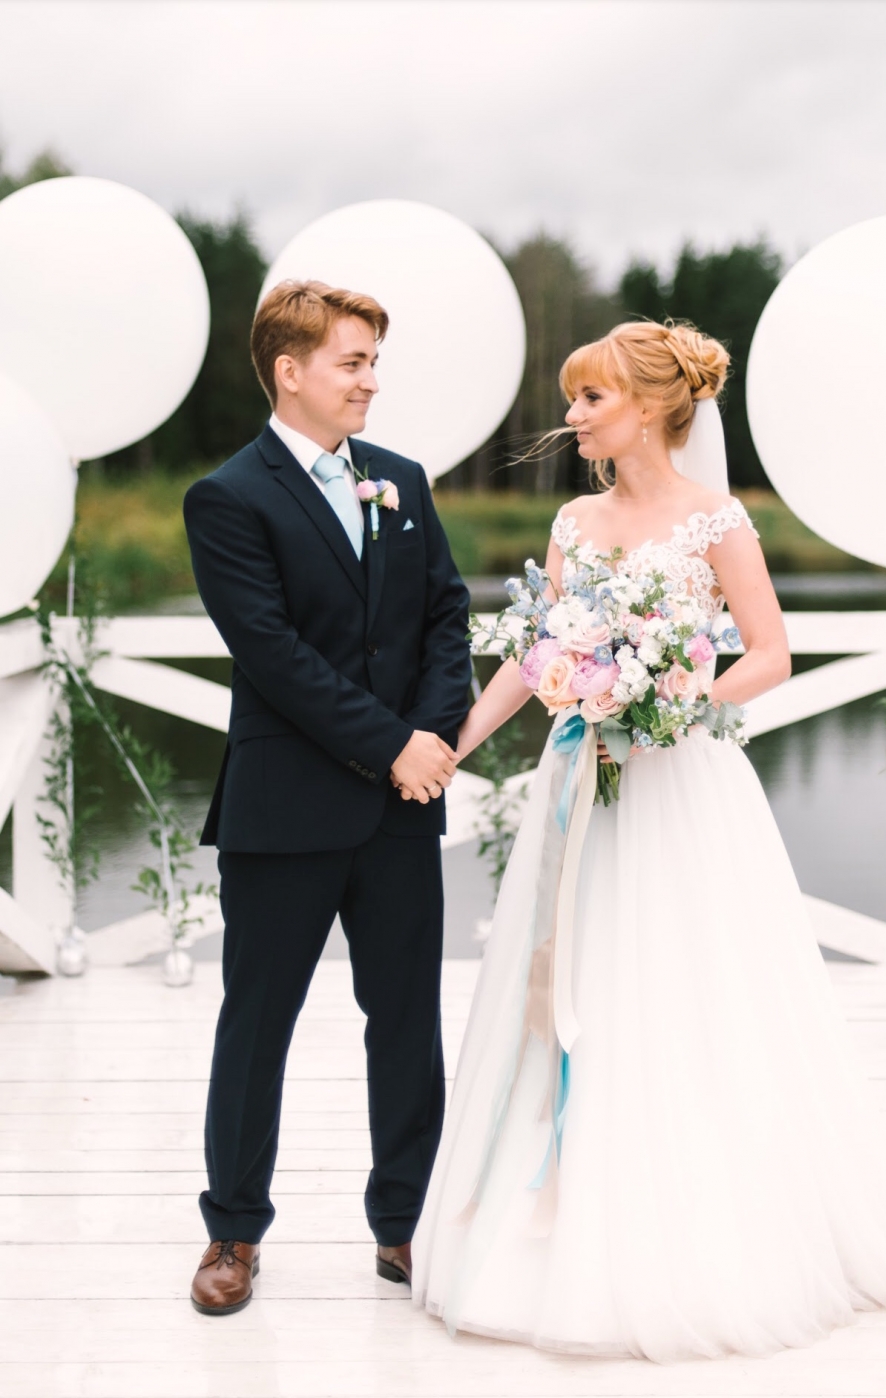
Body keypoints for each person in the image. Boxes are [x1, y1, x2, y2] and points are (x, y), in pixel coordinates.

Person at [411, 320, 886, 1361]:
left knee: (683, 984)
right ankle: (551, 1220)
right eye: (572, 398)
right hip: (580, 780)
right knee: (574, 983)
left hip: (679, 781)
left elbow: (771, 653)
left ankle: (698, 1233)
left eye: (591, 399)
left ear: (653, 407)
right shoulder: (574, 523)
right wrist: (456, 745)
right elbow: (536, 655)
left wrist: (671, 701)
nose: (572, 416)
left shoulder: (716, 519)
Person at [183, 280, 471, 1315]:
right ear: (289, 370)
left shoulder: (401, 480)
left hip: (401, 809)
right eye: (353, 362)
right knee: (257, 1023)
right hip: (285, 811)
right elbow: (272, 653)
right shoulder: (227, 497)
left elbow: (446, 616)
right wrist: (393, 744)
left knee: (405, 1023)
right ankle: (232, 1232)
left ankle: (406, 1224)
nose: (370, 381)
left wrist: (432, 739)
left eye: (373, 361)